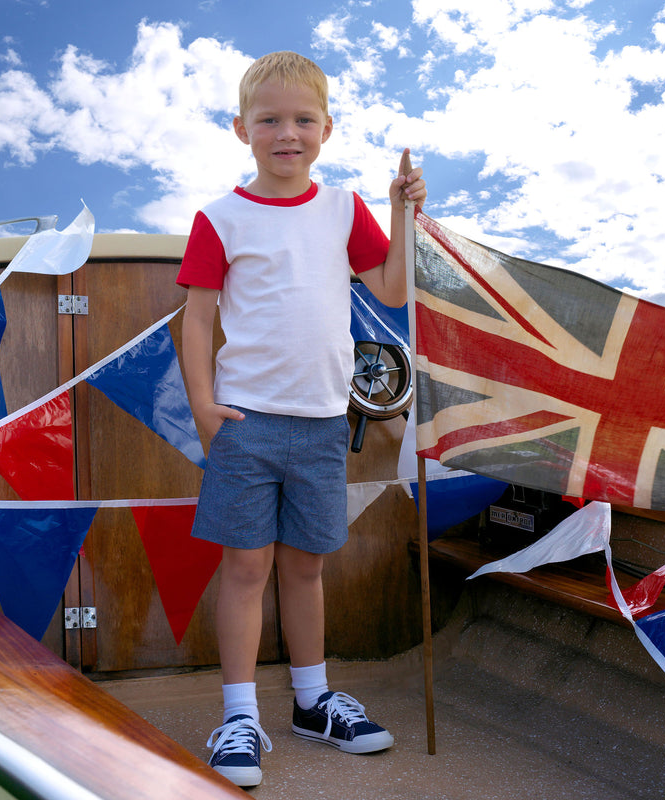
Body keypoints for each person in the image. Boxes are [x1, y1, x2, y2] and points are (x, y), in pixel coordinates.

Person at [178, 50, 426, 788]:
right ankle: (240, 714)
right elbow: (197, 322)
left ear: (326, 128)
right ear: (241, 129)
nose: (287, 133)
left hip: (322, 422)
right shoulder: (219, 217)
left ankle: (314, 701)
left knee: (306, 566)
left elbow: (390, 285)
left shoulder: (344, 208)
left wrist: (401, 211)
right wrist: (202, 405)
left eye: (302, 120)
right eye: (269, 120)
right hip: (246, 422)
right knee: (246, 566)